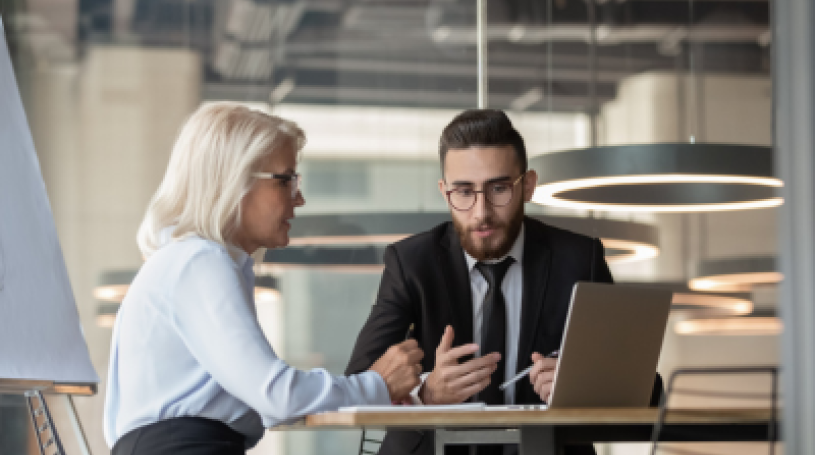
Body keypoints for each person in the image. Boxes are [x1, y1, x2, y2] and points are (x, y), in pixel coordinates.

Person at [103, 102, 424, 455]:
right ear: (233, 179)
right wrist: (376, 385)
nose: (299, 198)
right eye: (286, 180)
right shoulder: (200, 262)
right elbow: (276, 396)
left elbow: (263, 401)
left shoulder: (194, 261)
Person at [345, 109, 661, 455]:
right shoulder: (411, 263)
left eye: (498, 189)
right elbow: (356, 382)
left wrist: (583, 387)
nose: (481, 212)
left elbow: (647, 390)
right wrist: (426, 393)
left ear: (528, 186)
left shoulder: (578, 260)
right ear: (443, 191)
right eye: (463, 192)